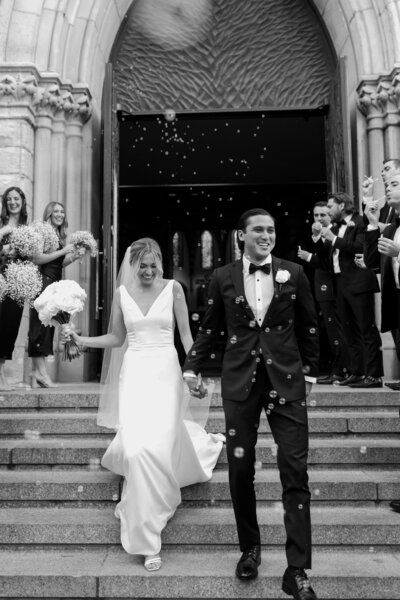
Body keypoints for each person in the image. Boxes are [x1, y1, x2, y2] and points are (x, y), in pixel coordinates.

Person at [63, 238, 224, 571]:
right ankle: (141, 515)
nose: (149, 271)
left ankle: (149, 539)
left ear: (161, 263)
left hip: (166, 373)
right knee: (137, 451)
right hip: (134, 373)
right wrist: (82, 340)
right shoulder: (122, 294)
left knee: (158, 448)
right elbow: (117, 338)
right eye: (143, 265)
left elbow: (186, 337)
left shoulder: (174, 289)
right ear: (132, 264)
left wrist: (192, 372)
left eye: (154, 264)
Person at [183, 209, 319, 600]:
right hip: (240, 384)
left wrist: (308, 374)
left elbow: (310, 323)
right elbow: (210, 327)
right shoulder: (223, 276)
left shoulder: (293, 272)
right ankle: (250, 548)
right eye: (258, 229)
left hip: (287, 384)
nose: (266, 235)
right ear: (241, 236)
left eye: (271, 230)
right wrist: (192, 367)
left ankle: (297, 570)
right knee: (240, 470)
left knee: (295, 470)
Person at [313, 192, 383, 388]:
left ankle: (374, 375)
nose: (327, 211)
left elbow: (361, 247)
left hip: (359, 282)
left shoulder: (360, 221)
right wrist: (319, 239)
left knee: (366, 329)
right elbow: (327, 258)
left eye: (330, 206)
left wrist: (334, 240)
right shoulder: (335, 227)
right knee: (348, 331)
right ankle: (356, 371)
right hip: (340, 283)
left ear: (342, 206)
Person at [364, 171, 400, 514]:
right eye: (387, 184)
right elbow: (373, 264)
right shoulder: (390, 226)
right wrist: (374, 224)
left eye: (394, 183)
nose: (388, 187)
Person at [28, 202, 81, 387]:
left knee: (47, 326)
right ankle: (40, 372)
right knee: (40, 325)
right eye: (55, 211)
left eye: (62, 211)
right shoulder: (43, 232)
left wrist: (72, 257)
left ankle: (37, 372)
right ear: (49, 214)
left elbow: (56, 263)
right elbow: (37, 258)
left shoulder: (57, 235)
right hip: (42, 282)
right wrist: (63, 250)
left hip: (52, 282)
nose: (60, 214)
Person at [297, 201, 348, 384]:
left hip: (334, 287)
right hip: (321, 285)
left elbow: (327, 261)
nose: (319, 218)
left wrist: (309, 257)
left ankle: (341, 369)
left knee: (337, 330)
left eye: (323, 215)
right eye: (316, 215)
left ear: (330, 215)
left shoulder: (336, 233)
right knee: (328, 329)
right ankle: (337, 368)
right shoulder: (317, 233)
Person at [0, 186, 29, 391]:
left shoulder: (27, 227)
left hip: (18, 281)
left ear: (22, 201)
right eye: (9, 199)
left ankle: (1, 371)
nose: (12, 202)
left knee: (11, 326)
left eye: (16, 198)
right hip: (1, 277)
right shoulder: (1, 223)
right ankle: (0, 377)